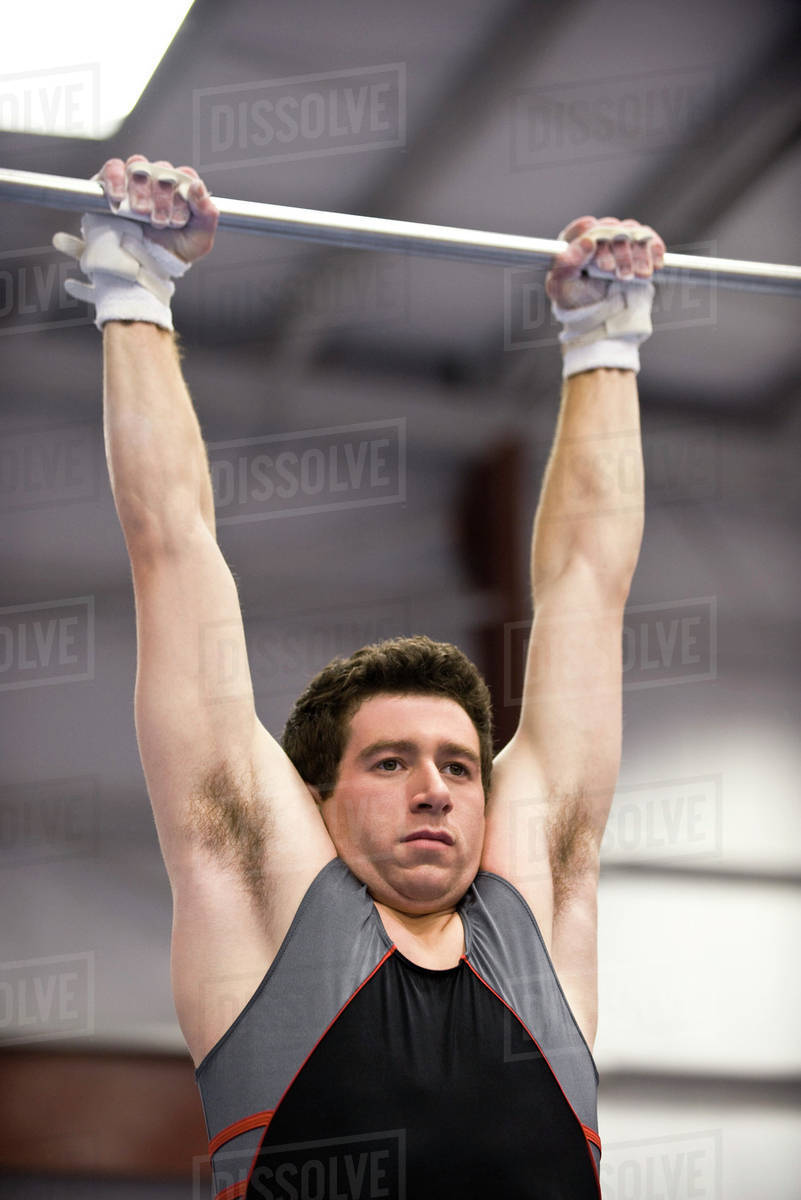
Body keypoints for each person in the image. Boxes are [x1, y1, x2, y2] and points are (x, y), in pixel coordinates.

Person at [55, 155, 664, 1199]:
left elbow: (587, 586)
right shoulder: (268, 903)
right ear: (312, 803)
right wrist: (134, 280)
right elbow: (173, 547)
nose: (436, 787)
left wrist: (604, 337)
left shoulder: (533, 912)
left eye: (462, 769)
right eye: (391, 761)